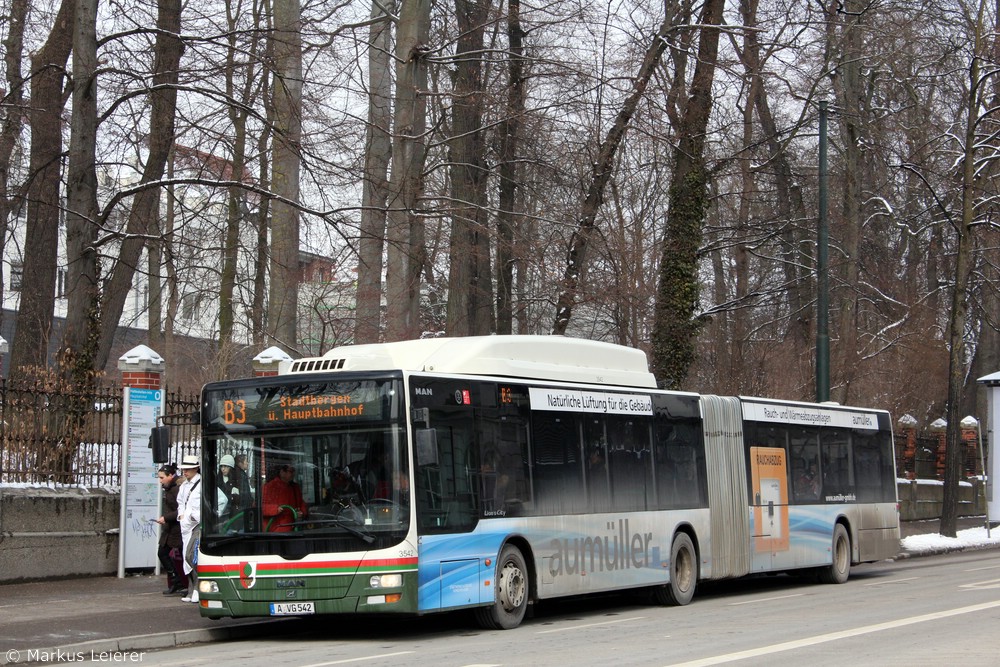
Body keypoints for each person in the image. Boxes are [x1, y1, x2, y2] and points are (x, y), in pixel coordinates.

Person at [154, 464, 187, 595]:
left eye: (162, 477)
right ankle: (176, 581)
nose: (160, 480)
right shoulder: (170, 488)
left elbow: (181, 510)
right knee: (162, 553)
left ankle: (183, 583)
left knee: (183, 556)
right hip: (170, 528)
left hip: (177, 529)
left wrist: (165, 518)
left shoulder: (177, 489)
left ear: (170, 476)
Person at [176, 454, 202, 603]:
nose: (185, 472)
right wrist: (181, 514)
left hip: (197, 525)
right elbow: (181, 502)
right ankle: (193, 590)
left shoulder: (202, 484)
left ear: (196, 469)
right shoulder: (184, 485)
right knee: (187, 558)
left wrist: (195, 516)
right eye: (184, 470)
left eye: (188, 469)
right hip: (185, 526)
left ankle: (197, 589)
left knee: (191, 556)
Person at [262, 464, 308, 532]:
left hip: (292, 528)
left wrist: (302, 511)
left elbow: (301, 503)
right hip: (274, 531)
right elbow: (258, 507)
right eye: (290, 471)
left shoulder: (295, 487)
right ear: (282, 472)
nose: (293, 474)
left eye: (294, 471)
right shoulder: (268, 487)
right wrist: (274, 509)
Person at [216, 454, 239, 519]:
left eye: (226, 466)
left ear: (231, 468)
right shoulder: (217, 480)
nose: (223, 469)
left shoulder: (236, 481)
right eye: (221, 466)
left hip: (231, 514)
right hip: (219, 512)